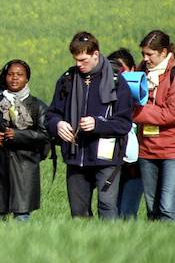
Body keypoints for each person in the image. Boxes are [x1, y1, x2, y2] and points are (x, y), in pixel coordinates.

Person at [45, 31, 133, 219]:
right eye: (76, 60)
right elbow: (51, 114)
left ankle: (110, 246)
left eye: (83, 60)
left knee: (107, 206)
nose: (78, 64)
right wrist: (58, 125)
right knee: (78, 213)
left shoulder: (117, 82)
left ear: (96, 55)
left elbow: (124, 124)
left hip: (106, 158)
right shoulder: (67, 79)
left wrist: (97, 124)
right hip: (75, 157)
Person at [0, 59, 49, 221]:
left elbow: (45, 135)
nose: (14, 78)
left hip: (25, 167)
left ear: (27, 79)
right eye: (10, 74)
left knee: (21, 214)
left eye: (19, 75)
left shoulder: (38, 106)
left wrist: (18, 135)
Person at [132, 29, 175, 222]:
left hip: (174, 151)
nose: (145, 58)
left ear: (164, 53)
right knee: (152, 209)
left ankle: (170, 249)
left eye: (150, 54)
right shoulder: (141, 71)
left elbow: (173, 114)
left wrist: (138, 112)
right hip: (147, 150)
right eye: (143, 54)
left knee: (167, 208)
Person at [108, 48, 144, 219]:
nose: (119, 75)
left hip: (135, 164)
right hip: (111, 159)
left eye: (122, 70)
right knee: (109, 207)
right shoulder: (104, 91)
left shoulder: (142, 90)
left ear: (133, 69)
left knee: (127, 212)